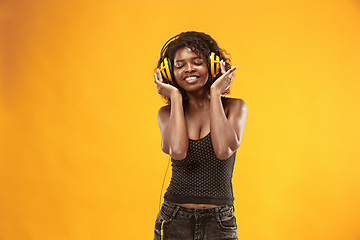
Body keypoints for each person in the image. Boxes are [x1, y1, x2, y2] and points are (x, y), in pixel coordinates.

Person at [153, 31, 247, 240]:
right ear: (169, 72)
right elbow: (177, 152)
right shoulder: (166, 114)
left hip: (219, 221)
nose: (189, 69)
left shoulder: (234, 107)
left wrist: (216, 93)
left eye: (197, 62)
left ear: (213, 66)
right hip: (174, 218)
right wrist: (175, 97)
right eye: (179, 65)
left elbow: (223, 150)